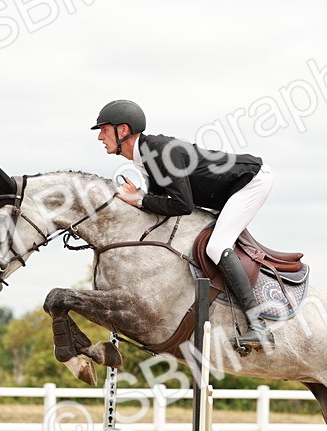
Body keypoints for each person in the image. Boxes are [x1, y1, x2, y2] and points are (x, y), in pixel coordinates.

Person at [91, 99, 275, 349]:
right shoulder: (144, 158)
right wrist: (140, 199)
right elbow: (159, 204)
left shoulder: (159, 151)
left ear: (122, 130)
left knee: (216, 245)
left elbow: (182, 205)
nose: (100, 137)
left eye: (103, 130)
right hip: (229, 190)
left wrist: (141, 199)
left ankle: (259, 328)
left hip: (251, 181)